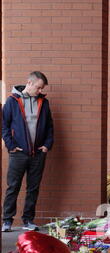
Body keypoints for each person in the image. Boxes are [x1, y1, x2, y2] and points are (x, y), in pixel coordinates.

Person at [2, 71, 54, 232]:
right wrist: (11, 146)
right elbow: (4, 126)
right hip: (18, 153)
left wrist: (47, 145)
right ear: (29, 83)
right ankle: (7, 221)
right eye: (38, 88)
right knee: (13, 187)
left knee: (33, 188)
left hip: (38, 153)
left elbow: (50, 127)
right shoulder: (11, 101)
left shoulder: (43, 103)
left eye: (41, 88)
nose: (40, 91)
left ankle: (28, 220)